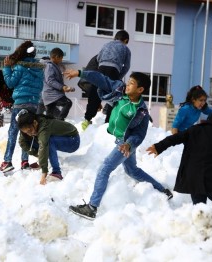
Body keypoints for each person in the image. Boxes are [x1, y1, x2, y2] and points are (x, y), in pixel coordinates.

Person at [68, 72, 172, 220]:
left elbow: (139, 135)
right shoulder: (120, 91)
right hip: (121, 141)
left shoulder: (141, 111)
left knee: (104, 169)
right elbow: (102, 79)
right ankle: (163, 191)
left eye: (131, 83)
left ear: (140, 90)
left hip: (126, 143)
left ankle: (92, 207)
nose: (127, 85)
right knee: (132, 171)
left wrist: (128, 145)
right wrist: (80, 73)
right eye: (128, 82)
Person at [0, 40, 44, 172]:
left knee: (13, 131)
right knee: (28, 131)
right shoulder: (39, 69)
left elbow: (10, 83)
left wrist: (7, 68)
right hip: (34, 103)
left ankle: (7, 161)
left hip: (21, 103)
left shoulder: (20, 67)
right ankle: (25, 162)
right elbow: (40, 86)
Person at [17, 110, 80, 185]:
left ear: (35, 122)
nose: (29, 133)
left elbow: (43, 145)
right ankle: (42, 160)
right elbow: (22, 142)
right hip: (59, 138)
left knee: (48, 141)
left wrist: (44, 172)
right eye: (26, 132)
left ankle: (57, 172)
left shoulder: (44, 126)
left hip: (72, 140)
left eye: (30, 130)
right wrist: (37, 154)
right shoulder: (28, 128)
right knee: (32, 140)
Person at [96, 30, 131, 123]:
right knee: (115, 95)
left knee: (98, 91)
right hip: (113, 70)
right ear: (126, 40)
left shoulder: (106, 45)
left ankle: (88, 117)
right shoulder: (125, 48)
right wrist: (119, 77)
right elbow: (126, 66)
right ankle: (108, 120)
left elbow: (98, 58)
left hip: (101, 68)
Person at [42, 48, 74, 121]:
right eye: (61, 58)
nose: (61, 60)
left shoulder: (53, 66)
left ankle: (49, 128)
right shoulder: (49, 66)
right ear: (56, 57)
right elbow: (50, 80)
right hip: (52, 94)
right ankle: (60, 121)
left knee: (49, 117)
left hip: (49, 95)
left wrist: (65, 87)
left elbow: (55, 81)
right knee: (68, 103)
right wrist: (62, 87)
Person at [78, 55, 103, 130]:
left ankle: (87, 120)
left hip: (89, 80)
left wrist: (98, 103)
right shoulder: (106, 58)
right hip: (93, 79)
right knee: (93, 100)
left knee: (93, 100)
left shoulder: (100, 56)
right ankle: (87, 121)